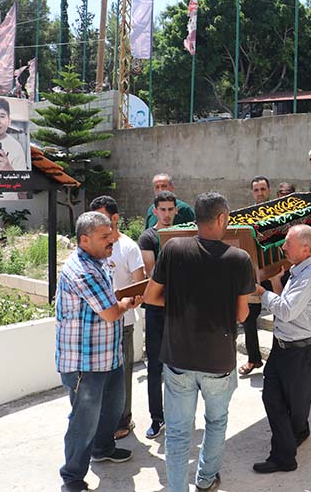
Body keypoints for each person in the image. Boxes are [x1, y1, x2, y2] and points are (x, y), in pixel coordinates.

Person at [144, 192, 256, 492]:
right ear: (221, 218)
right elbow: (243, 314)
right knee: (216, 423)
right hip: (218, 360)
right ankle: (205, 480)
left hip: (178, 358)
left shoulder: (173, 248)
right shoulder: (239, 259)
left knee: (178, 433)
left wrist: (182, 303)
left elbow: (151, 297)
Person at [56, 211, 141, 492]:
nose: (112, 239)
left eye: (112, 233)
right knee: (84, 420)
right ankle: (72, 477)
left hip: (107, 356)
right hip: (85, 363)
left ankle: (102, 448)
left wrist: (123, 301)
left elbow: (107, 302)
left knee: (113, 407)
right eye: (105, 236)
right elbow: (109, 312)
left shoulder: (99, 261)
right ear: (84, 240)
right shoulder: (82, 270)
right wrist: (126, 304)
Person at [251, 225, 311, 474]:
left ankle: (285, 457)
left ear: (305, 249)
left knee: (296, 403)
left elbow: (286, 310)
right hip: (284, 348)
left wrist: (262, 292)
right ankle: (289, 446)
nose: (283, 247)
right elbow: (288, 304)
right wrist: (275, 282)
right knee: (273, 398)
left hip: (301, 352)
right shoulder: (298, 270)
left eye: (288, 244)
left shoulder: (310, 275)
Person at [89, 196, 146, 441]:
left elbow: (140, 286)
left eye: (103, 218)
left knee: (122, 376)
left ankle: (124, 419)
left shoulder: (129, 247)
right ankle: (102, 421)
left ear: (115, 218)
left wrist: (123, 303)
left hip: (123, 322)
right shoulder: (92, 248)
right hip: (96, 323)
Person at [137, 191, 179, 440]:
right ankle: (157, 418)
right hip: (156, 310)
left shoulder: (183, 235)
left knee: (180, 367)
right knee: (155, 367)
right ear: (155, 211)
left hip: (180, 311)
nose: (166, 214)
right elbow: (152, 273)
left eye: (170, 209)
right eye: (162, 209)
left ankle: (178, 416)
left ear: (176, 210)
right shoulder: (148, 237)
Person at [240, 176, 272, 377]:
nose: (260, 193)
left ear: (269, 190)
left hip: (276, 271)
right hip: (253, 272)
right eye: (256, 190)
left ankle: (279, 359)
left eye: (262, 189)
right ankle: (254, 358)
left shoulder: (279, 212)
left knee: (281, 316)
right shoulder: (247, 216)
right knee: (249, 316)